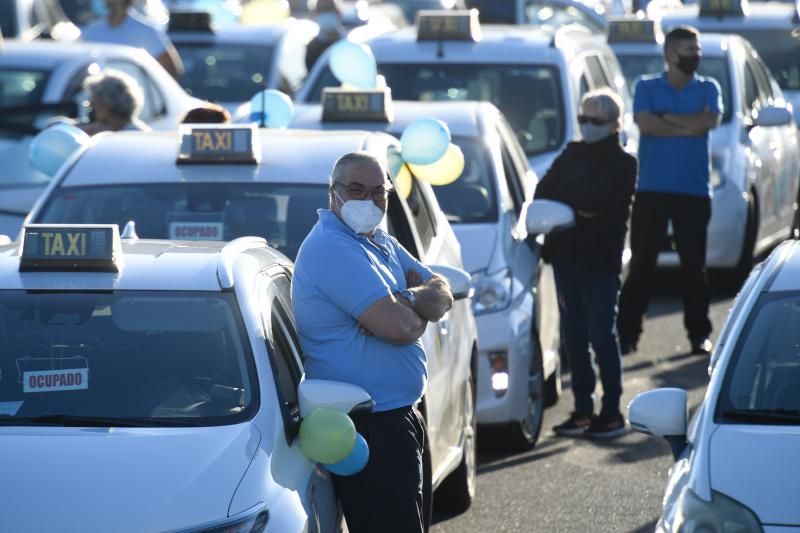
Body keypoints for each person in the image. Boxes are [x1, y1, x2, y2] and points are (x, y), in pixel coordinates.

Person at [291, 152, 453, 533]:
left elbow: (442, 292)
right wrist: (410, 306)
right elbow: (397, 328)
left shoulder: (378, 241)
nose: (369, 200)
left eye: (378, 192)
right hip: (369, 429)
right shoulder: (334, 248)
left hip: (397, 418)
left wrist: (407, 298)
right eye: (356, 190)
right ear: (333, 193)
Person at [535, 89, 637, 439]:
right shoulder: (572, 152)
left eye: (595, 120)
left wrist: (571, 203)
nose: (587, 126)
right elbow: (543, 191)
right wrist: (576, 206)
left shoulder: (624, 163)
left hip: (600, 262)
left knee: (601, 337)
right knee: (574, 338)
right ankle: (582, 410)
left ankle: (611, 413)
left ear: (613, 124)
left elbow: (598, 202)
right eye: (583, 119)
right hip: (566, 258)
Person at [617, 25, 722, 357]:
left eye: (697, 49)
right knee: (642, 266)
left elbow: (709, 122)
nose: (696, 56)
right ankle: (627, 334)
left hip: (693, 192)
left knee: (694, 269)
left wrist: (668, 121)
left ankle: (698, 335)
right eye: (689, 50)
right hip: (651, 191)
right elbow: (646, 123)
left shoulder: (709, 88)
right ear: (670, 54)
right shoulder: (646, 87)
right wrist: (687, 124)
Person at [81, 0, 183, 79]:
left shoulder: (147, 31)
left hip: (138, 104)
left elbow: (172, 70)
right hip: (99, 103)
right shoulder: (90, 32)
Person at [78, 69, 151, 135]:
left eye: (93, 105)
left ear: (107, 107)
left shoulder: (136, 136)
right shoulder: (136, 131)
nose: (91, 110)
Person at [304, 0, 344, 71]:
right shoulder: (312, 48)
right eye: (322, 11)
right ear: (315, 16)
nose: (326, 15)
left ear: (338, 13)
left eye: (329, 10)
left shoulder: (347, 43)